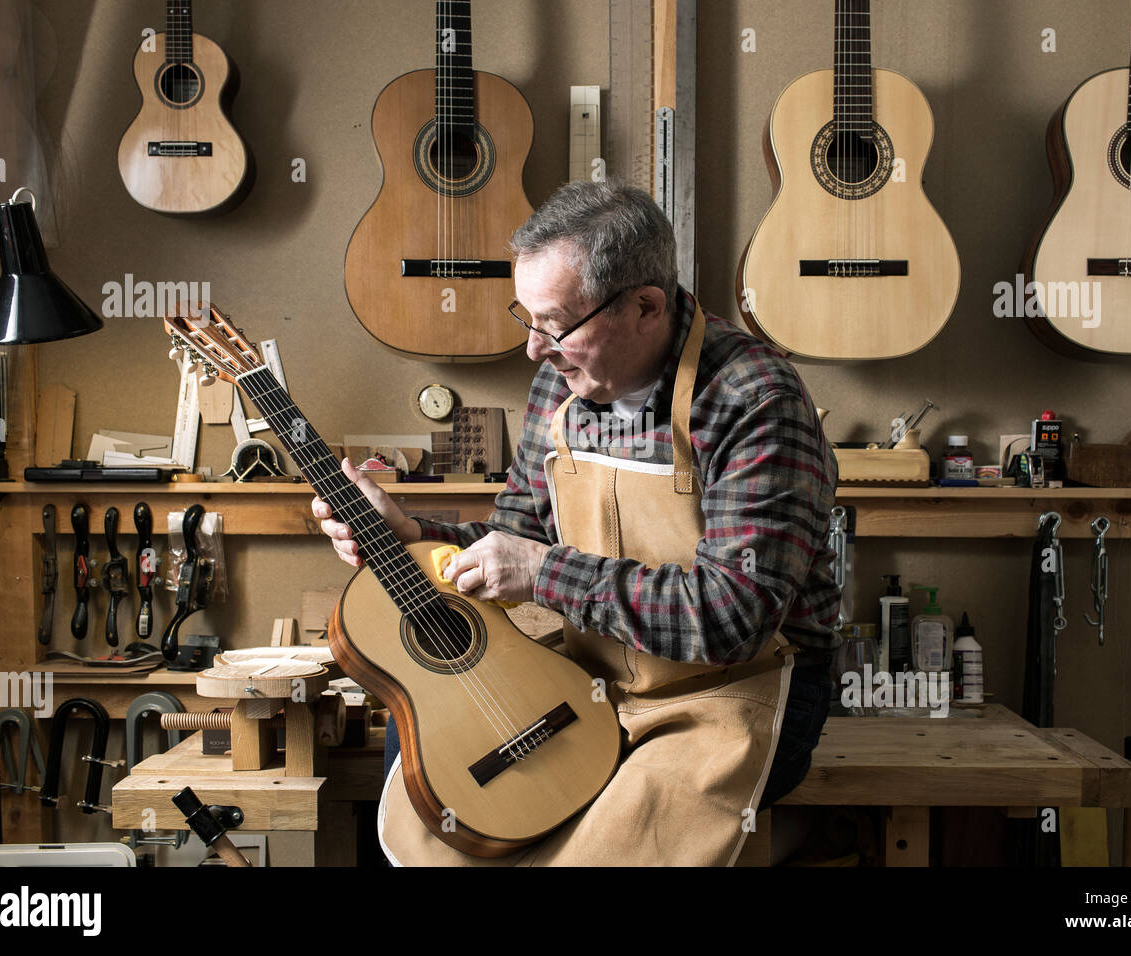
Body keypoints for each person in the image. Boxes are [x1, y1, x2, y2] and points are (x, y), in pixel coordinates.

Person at [312, 180, 840, 866]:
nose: (534, 349)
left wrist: (541, 574)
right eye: (524, 318)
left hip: (735, 695)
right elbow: (517, 540)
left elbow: (733, 619)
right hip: (592, 678)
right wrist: (415, 534)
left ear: (645, 306)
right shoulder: (562, 387)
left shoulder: (754, 398)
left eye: (553, 324)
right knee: (444, 816)